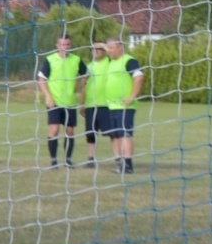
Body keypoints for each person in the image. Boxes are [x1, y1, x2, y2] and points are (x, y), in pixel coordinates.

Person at [37, 35, 88, 168]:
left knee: (70, 131)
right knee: (54, 130)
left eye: (68, 44)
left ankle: (67, 160)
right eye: (63, 44)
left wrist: (80, 86)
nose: (65, 47)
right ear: (57, 45)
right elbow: (41, 79)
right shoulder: (50, 60)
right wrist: (48, 96)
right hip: (54, 102)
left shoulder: (76, 60)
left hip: (70, 103)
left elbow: (87, 73)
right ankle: (54, 161)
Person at [95, 37, 145, 174]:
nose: (108, 51)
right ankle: (119, 164)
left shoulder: (129, 61)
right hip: (111, 106)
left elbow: (139, 77)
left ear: (120, 48)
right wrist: (102, 44)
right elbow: (106, 47)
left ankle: (128, 166)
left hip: (125, 107)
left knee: (125, 135)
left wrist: (131, 97)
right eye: (108, 48)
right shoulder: (112, 61)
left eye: (111, 48)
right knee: (115, 136)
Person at [83, 42, 107, 166]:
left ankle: (119, 158)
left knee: (114, 133)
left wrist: (105, 46)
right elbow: (83, 84)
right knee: (91, 133)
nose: (96, 51)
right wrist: (82, 104)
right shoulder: (89, 66)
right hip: (91, 105)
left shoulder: (110, 63)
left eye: (99, 48)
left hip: (107, 105)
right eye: (93, 48)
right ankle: (91, 159)